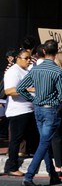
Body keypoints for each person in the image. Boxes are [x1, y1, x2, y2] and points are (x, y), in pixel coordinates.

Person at [15, 39, 62, 186]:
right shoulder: (57, 71)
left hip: (38, 108)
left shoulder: (35, 69)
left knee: (44, 141)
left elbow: (20, 88)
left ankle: (53, 175)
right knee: (44, 142)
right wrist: (55, 104)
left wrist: (34, 98)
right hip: (50, 109)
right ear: (56, 52)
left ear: (43, 51)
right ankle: (29, 176)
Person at [4, 49, 38, 177]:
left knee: (29, 137)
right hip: (18, 111)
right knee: (16, 140)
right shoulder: (13, 71)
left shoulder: (27, 70)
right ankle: (12, 166)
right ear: (18, 58)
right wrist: (28, 89)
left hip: (29, 109)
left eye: (30, 58)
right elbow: (9, 91)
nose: (29, 60)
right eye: (26, 58)